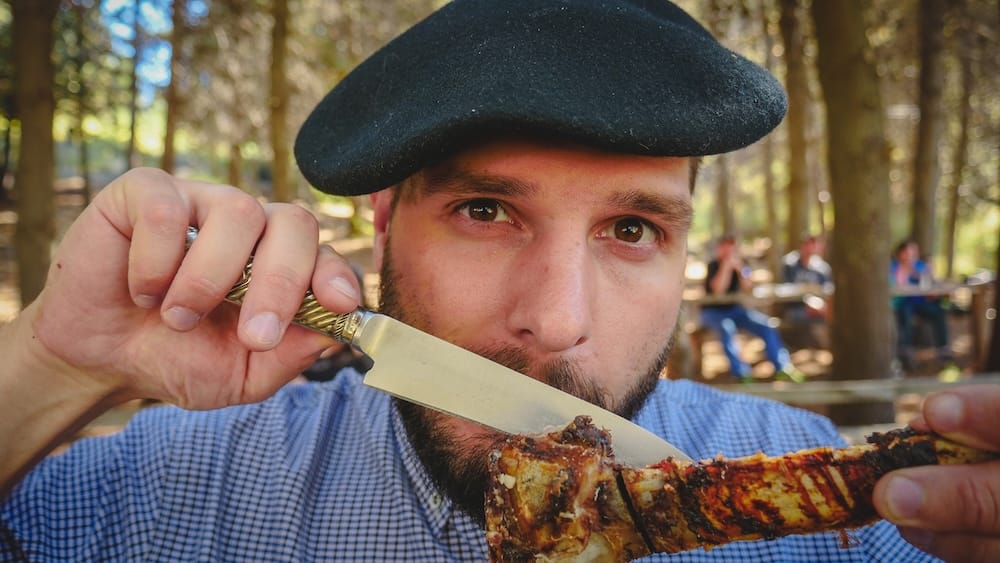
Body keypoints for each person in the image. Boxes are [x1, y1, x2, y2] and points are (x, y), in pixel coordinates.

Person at [0, 1, 996, 561]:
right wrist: (54, 363)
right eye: (484, 210)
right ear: (384, 219)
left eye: (632, 228)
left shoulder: (848, 516)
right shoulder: (182, 492)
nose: (556, 322)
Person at [700, 234, 806, 382]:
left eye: (732, 247)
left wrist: (740, 270)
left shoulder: (742, 264)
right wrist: (726, 267)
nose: (729, 251)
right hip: (713, 313)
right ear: (719, 248)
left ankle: (782, 367)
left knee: (767, 325)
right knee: (726, 328)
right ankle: (741, 373)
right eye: (726, 247)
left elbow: (749, 287)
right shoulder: (713, 265)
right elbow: (718, 290)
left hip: (736, 311)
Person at [890, 239, 953, 370]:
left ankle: (943, 350)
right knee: (905, 316)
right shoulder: (893, 267)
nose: (911, 255)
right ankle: (905, 354)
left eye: (914, 252)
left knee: (939, 312)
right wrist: (905, 273)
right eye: (908, 252)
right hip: (902, 303)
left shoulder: (920, 266)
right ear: (901, 253)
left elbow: (930, 286)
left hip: (920, 303)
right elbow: (894, 288)